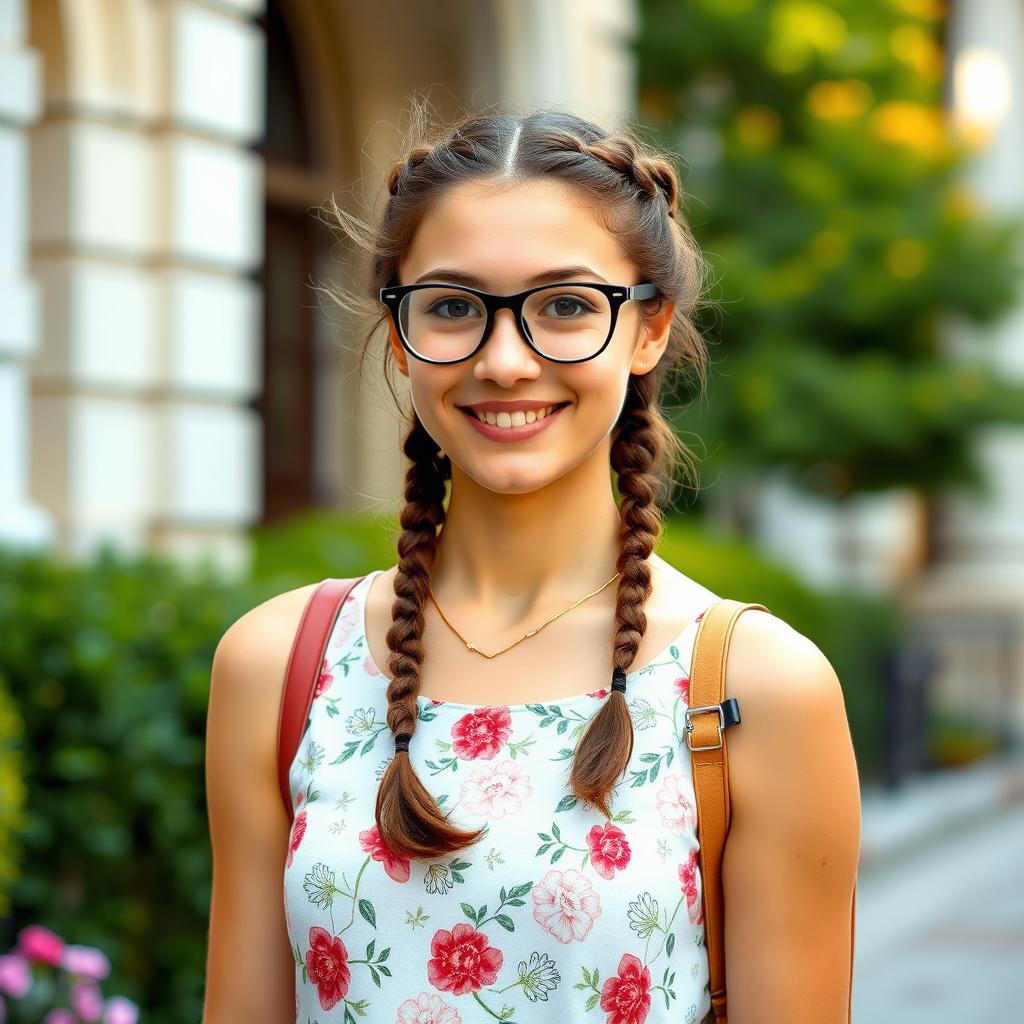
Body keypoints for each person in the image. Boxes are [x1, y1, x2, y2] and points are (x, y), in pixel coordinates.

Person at [202, 104, 861, 1024]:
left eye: (564, 306)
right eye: (452, 307)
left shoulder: (759, 687)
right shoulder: (281, 667)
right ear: (400, 331)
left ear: (649, 328)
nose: (505, 360)